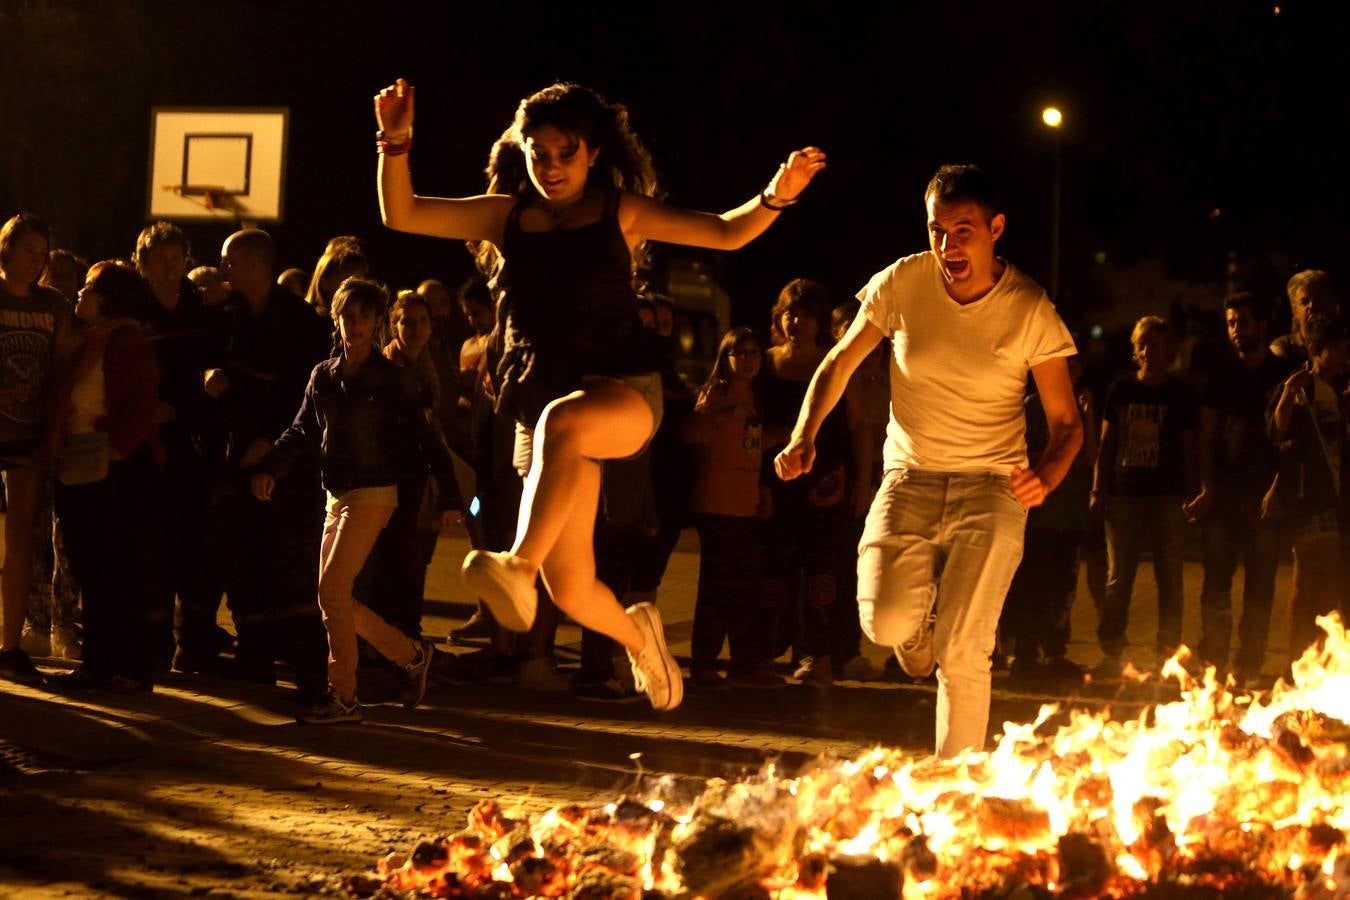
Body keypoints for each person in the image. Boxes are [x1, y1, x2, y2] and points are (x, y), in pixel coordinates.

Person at [374, 77, 824, 710]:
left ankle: (517, 565)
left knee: (563, 428)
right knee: (573, 585)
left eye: (565, 153)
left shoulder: (621, 211)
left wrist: (776, 195)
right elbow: (404, 213)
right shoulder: (508, 216)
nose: (551, 167)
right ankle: (638, 636)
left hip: (622, 393)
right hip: (543, 406)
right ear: (523, 151)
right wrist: (394, 140)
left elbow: (725, 232)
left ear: (591, 152)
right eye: (539, 153)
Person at [775, 165, 1081, 757]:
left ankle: (956, 784)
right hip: (909, 477)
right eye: (936, 230)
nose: (947, 246)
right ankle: (918, 630)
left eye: (962, 230)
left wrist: (1047, 474)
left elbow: (1067, 421)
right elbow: (840, 361)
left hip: (993, 487)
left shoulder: (1028, 308)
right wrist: (804, 432)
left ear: (995, 228)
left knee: (965, 648)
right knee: (884, 625)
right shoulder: (903, 282)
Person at [253, 278, 461, 723]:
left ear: (377, 322)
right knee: (334, 596)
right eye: (348, 314)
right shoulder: (324, 375)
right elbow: (302, 429)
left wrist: (450, 494)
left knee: (332, 589)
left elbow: (425, 437)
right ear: (337, 317)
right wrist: (270, 466)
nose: (356, 324)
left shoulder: (390, 378)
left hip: (374, 491)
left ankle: (343, 695)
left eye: (365, 316)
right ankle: (410, 655)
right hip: (337, 492)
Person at [209, 228, 331, 702]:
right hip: (235, 461)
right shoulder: (230, 319)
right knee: (243, 562)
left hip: (289, 471)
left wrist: (272, 444)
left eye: (231, 262)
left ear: (256, 264)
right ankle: (254, 658)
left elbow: (308, 396)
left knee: (291, 571)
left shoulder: (302, 325)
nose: (223, 272)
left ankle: (309, 673)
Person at [45, 262, 164, 693]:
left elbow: (141, 402)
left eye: (91, 288)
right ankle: (103, 663)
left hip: (111, 469)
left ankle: (120, 666)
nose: (81, 294)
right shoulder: (87, 341)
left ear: (111, 298)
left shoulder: (124, 340)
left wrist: (117, 448)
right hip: (79, 463)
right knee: (91, 566)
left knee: (111, 569)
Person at [134, 222, 231, 673]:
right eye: (161, 260)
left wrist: (186, 406)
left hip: (195, 446)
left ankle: (194, 645)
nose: (171, 269)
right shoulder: (133, 313)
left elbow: (217, 379)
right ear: (143, 264)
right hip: (147, 448)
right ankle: (150, 646)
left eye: (178, 259)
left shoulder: (203, 312)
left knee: (198, 549)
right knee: (151, 548)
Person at [1185, 293, 1292, 681]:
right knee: (1215, 586)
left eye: (1243, 321)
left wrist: (1280, 487)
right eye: (1231, 322)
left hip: (1265, 498)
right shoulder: (1221, 376)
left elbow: (1292, 440)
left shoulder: (1282, 373)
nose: (1236, 330)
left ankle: (1249, 664)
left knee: (1260, 588)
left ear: (1261, 325)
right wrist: (1207, 488)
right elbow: (1207, 437)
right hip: (1225, 499)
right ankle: (1213, 666)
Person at [1092, 317, 1200, 677]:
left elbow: (1188, 447)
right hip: (1125, 496)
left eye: (1157, 344)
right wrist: (1099, 489)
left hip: (1167, 496)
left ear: (1169, 351)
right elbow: (1107, 444)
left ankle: (1167, 652)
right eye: (1144, 344)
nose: (1150, 351)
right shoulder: (1121, 391)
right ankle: (1112, 651)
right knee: (1118, 577)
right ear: (1135, 350)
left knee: (1169, 577)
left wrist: (1191, 491)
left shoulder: (1179, 394)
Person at [760, 278, 855, 686]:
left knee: (823, 570)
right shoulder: (763, 364)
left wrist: (849, 480)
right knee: (772, 568)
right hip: (774, 479)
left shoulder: (833, 362)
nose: (796, 321)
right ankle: (765, 652)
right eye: (788, 313)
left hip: (824, 481)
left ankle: (818, 654)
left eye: (805, 314)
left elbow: (853, 427)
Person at [682, 326, 780, 688]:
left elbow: (751, 443)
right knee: (716, 587)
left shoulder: (757, 395)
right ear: (726, 358)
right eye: (741, 353)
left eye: (755, 353)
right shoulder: (717, 391)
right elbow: (692, 432)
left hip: (746, 501)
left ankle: (744, 664)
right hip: (718, 503)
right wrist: (721, 410)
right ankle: (704, 664)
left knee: (745, 587)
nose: (750, 360)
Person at [0, 214, 75, 683]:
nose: (36, 261)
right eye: (29, 250)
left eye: (42, 252)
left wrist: (53, 433)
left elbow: (64, 372)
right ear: (6, 250)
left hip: (26, 436)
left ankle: (8, 643)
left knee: (22, 538)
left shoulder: (53, 305)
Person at [1266, 314, 1348, 664]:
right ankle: (1299, 660)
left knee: (1326, 579)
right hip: (1313, 498)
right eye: (1340, 348)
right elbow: (1278, 432)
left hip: (1334, 497)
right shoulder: (1306, 388)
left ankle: (1312, 659)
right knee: (1312, 580)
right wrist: (1288, 392)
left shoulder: (1336, 390)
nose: (1346, 353)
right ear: (1317, 350)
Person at [1270, 270, 1339, 365]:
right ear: (1295, 310)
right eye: (1304, 302)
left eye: (1317, 299)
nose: (1312, 305)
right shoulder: (1284, 347)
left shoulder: (1340, 341)